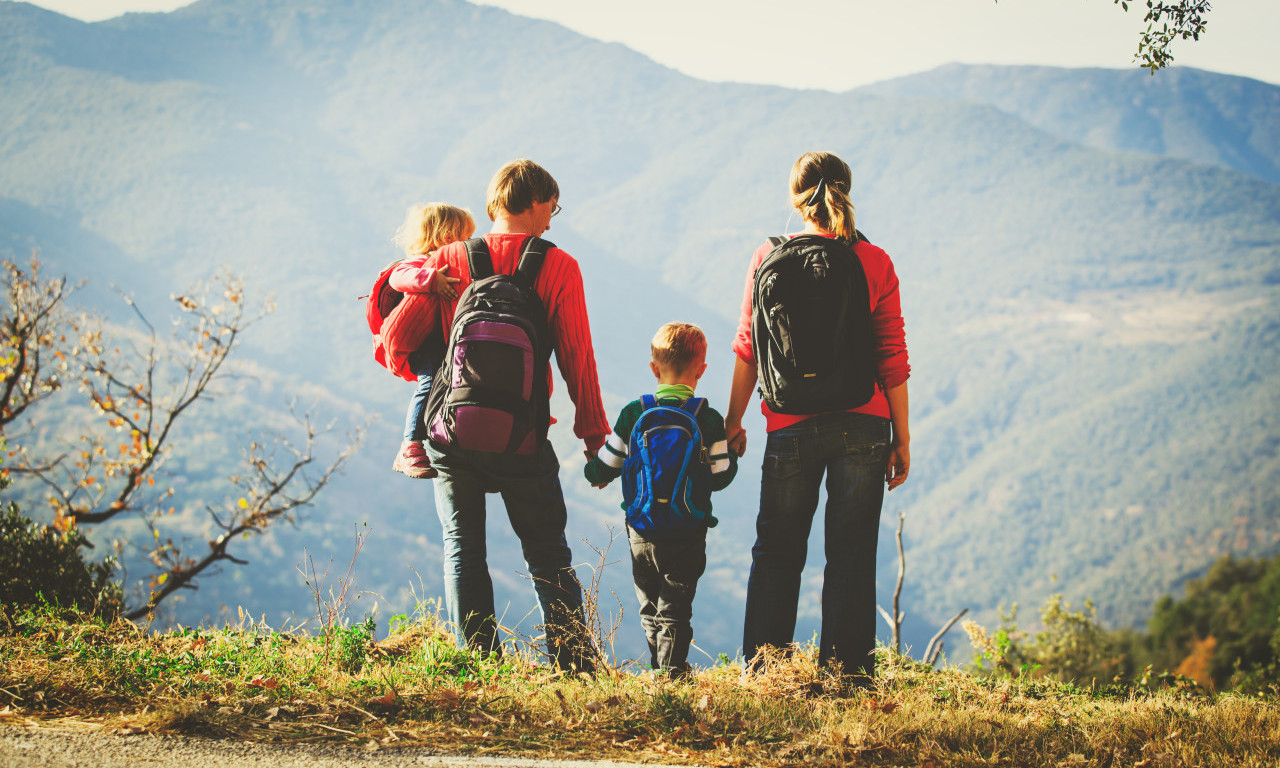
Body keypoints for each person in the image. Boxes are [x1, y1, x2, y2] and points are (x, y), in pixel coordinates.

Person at [400, 159, 610, 672]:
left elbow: (398, 338)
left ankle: (477, 667)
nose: (552, 220)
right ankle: (575, 667)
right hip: (523, 437)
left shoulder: (449, 258)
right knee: (546, 552)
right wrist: (592, 433)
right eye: (552, 208)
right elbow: (576, 355)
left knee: (462, 549)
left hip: (452, 433)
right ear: (536, 203)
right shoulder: (559, 266)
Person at [724, 151, 911, 687]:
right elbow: (891, 354)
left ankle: (764, 673)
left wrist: (734, 421)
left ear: (794, 198)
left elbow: (747, 346)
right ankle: (848, 677)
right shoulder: (874, 260)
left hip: (788, 424)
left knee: (778, 549)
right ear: (847, 191)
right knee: (851, 552)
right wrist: (901, 436)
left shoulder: (767, 256)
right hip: (864, 422)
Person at [583, 322, 737, 677]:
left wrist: (595, 476)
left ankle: (662, 669)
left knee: (650, 606)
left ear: (654, 368)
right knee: (676, 607)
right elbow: (721, 477)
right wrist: (734, 452)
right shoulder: (708, 419)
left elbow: (605, 467)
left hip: (642, 529)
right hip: (689, 527)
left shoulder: (633, 414)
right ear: (701, 370)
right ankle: (672, 674)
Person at [385, 203, 471, 479]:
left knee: (444, 387)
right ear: (446, 236)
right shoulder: (419, 262)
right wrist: (432, 279)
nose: (467, 244)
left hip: (445, 337)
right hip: (426, 341)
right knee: (430, 382)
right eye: (463, 237)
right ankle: (410, 445)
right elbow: (398, 278)